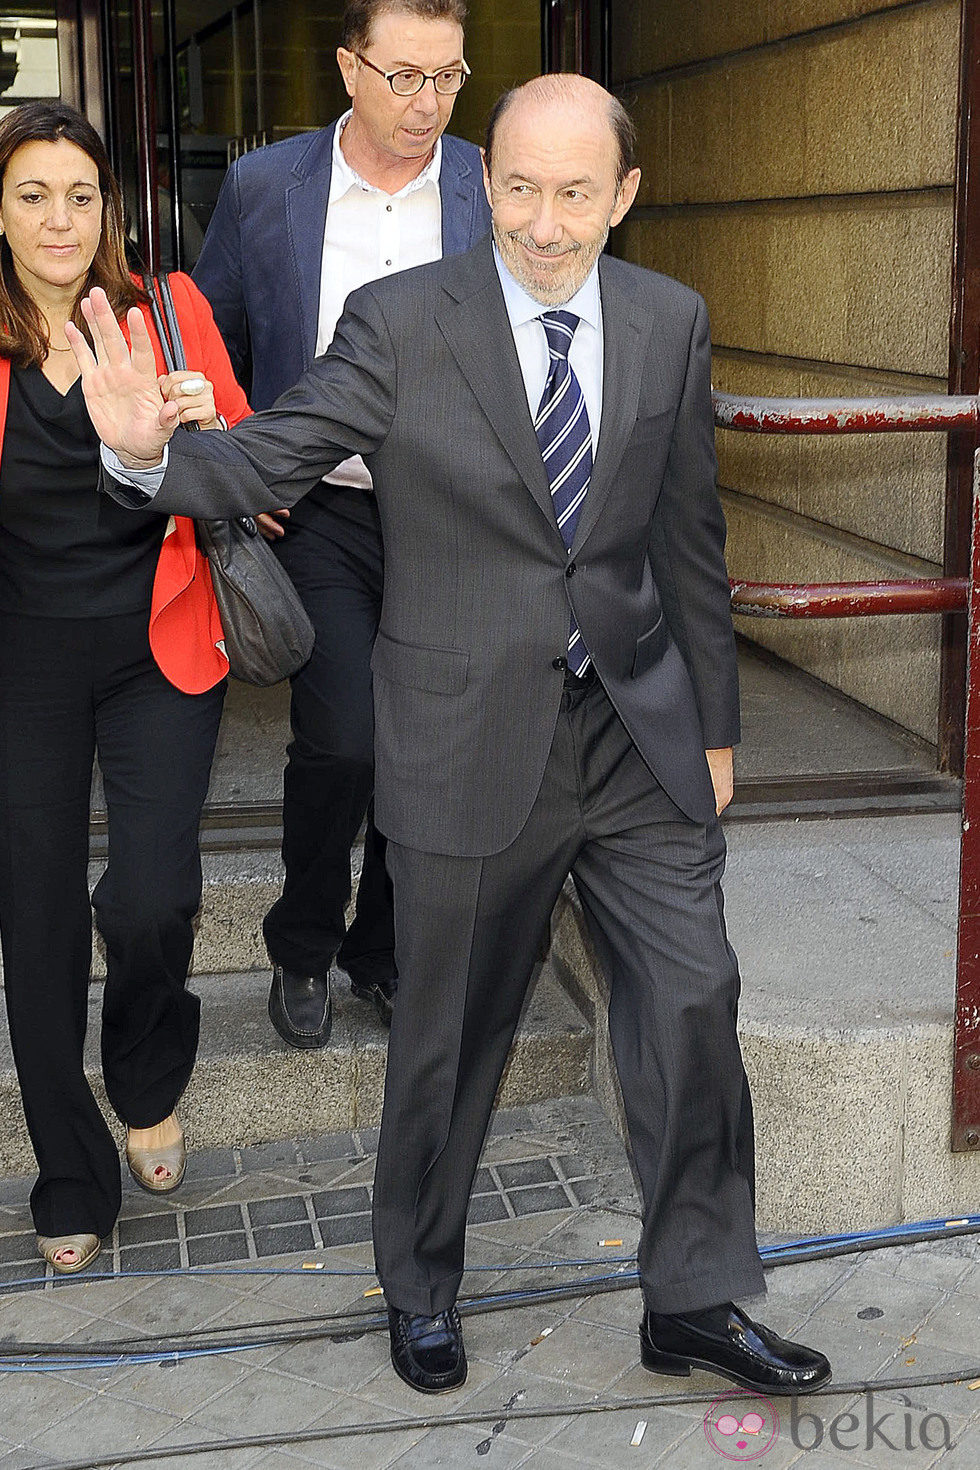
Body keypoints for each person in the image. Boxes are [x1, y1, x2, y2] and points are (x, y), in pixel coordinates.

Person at [72, 74, 833, 1394]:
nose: (545, 221)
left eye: (576, 192)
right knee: (452, 1032)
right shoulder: (402, 322)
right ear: (491, 186)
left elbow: (688, 540)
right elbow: (273, 458)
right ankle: (420, 1284)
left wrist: (712, 721)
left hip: (636, 730)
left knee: (695, 1000)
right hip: (470, 736)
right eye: (522, 188)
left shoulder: (668, 319)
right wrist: (151, 461)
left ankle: (695, 1298)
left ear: (624, 196)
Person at [192, 0, 490, 1048]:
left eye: (449, 76)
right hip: (312, 511)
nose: (428, 104)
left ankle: (384, 952)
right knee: (345, 740)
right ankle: (303, 946)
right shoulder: (266, 186)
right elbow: (208, 335)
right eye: (403, 76)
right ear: (347, 68)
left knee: (429, 749)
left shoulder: (487, 188)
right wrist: (242, 449)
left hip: (446, 518)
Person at [0, 101, 249, 1274]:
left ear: (112, 207)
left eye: (81, 194)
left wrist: (163, 447)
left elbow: (258, 475)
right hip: (23, 661)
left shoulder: (168, 310)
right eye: (32, 193)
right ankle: (69, 1169)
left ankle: (148, 1077)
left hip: (159, 646)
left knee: (151, 893)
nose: (60, 218)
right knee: (36, 912)